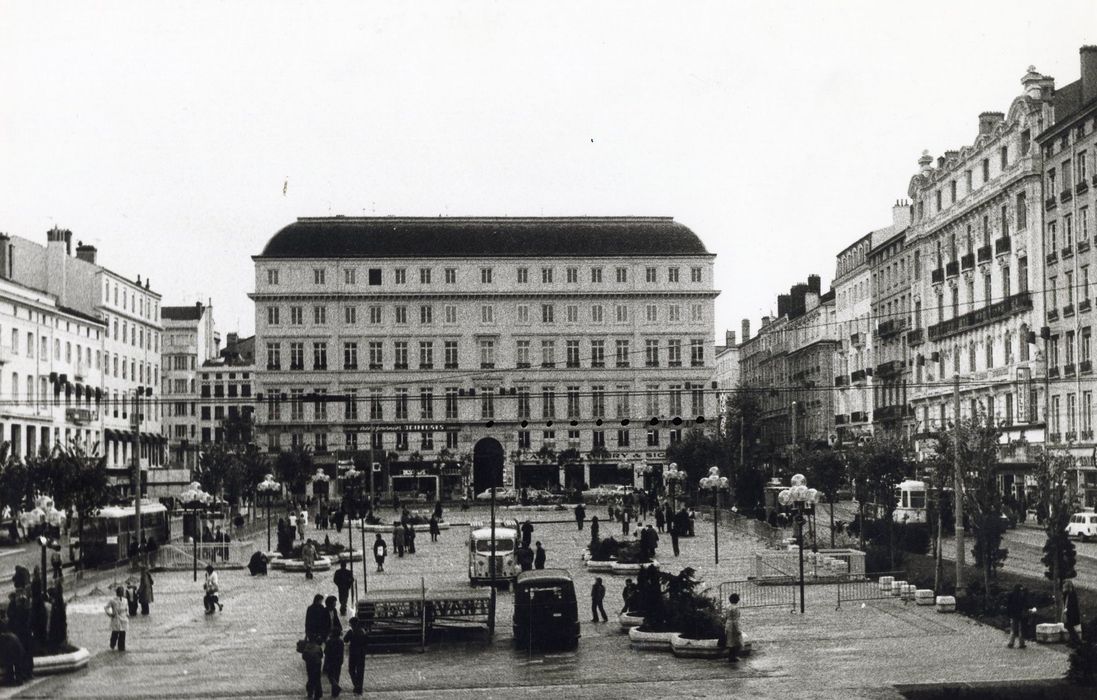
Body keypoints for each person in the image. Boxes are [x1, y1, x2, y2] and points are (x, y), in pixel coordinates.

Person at [343, 617, 368, 695]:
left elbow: (345, 640)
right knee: (360, 671)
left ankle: (356, 685)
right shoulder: (363, 632)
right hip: (361, 653)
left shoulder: (351, 632)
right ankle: (359, 687)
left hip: (353, 653)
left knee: (351, 669)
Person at [300, 633, 324, 700]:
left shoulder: (307, 647)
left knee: (310, 678)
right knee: (317, 679)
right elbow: (321, 655)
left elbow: (304, 656)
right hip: (317, 664)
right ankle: (318, 694)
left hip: (310, 664)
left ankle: (310, 692)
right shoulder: (318, 647)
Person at [323, 626, 345, 698]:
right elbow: (342, 652)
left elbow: (326, 652)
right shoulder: (341, 642)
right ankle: (335, 693)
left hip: (331, 660)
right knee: (337, 676)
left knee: (330, 675)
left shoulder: (329, 641)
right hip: (338, 660)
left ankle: (335, 686)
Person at [105, 586, 128, 651]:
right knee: (115, 633)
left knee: (123, 633)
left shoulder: (125, 600)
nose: (121, 593)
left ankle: (121, 647)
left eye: (122, 592)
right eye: (120, 592)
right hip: (116, 618)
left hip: (123, 618)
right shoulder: (112, 600)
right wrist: (110, 614)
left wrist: (127, 613)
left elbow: (126, 608)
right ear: (117, 593)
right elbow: (106, 607)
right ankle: (112, 644)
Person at [1006, 584, 1027, 649]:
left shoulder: (1011, 595)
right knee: (1021, 629)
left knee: (1013, 629)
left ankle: (1011, 643)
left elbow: (1008, 605)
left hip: (1013, 615)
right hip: (1020, 615)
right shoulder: (1022, 596)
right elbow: (1024, 605)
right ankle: (1021, 643)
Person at [724, 593, 743, 661]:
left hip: (728, 624)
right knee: (737, 642)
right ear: (737, 600)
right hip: (733, 625)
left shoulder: (727, 607)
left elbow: (726, 617)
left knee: (730, 642)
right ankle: (734, 656)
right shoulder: (736, 608)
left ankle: (730, 656)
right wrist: (738, 629)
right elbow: (736, 620)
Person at [1063, 580, 1082, 646]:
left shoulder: (1071, 594)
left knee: (1069, 627)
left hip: (1072, 614)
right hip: (1070, 613)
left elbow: (1072, 604)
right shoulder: (1068, 594)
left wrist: (1067, 609)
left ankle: (1076, 641)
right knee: (1069, 627)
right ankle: (1074, 641)